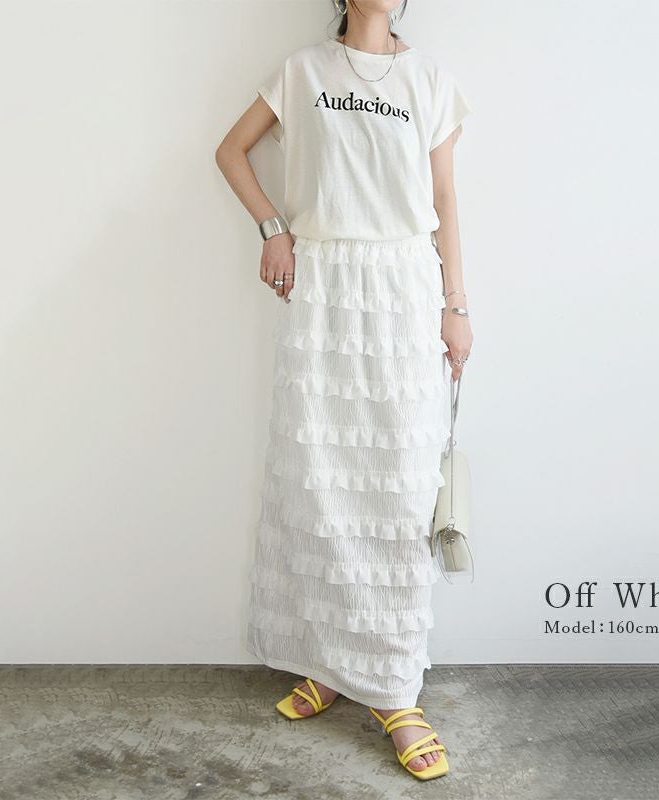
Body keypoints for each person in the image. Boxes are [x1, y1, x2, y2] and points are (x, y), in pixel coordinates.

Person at [214, 0, 473, 781]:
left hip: (401, 291)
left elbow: (445, 201)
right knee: (322, 483)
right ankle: (330, 665)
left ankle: (395, 691)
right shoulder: (303, 71)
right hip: (324, 290)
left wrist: (456, 306)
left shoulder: (429, 79)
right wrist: (273, 229)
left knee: (397, 492)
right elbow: (230, 152)